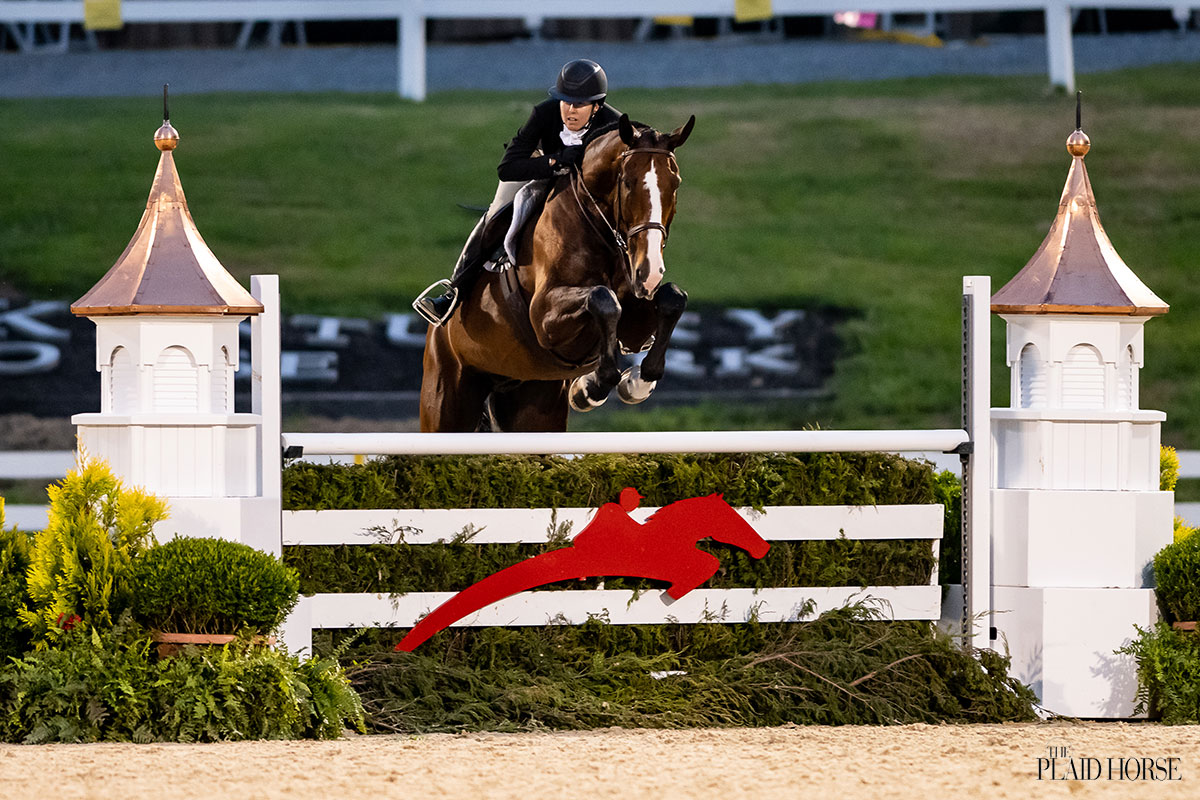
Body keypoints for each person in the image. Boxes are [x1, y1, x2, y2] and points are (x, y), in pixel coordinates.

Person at [413, 59, 623, 326]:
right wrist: (554, 161)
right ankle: (454, 293)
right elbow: (507, 168)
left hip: (588, 187)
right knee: (495, 213)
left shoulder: (614, 125)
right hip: (539, 170)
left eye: (579, 104)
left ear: (597, 106)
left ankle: (639, 290)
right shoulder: (544, 113)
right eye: (565, 101)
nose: (570, 110)